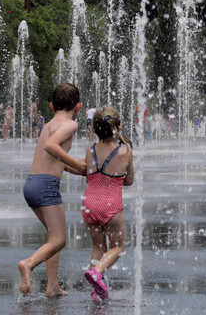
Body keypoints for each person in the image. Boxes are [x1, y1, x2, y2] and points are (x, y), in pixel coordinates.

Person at [18, 83, 85, 297]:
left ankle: (52, 286)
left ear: (50, 105)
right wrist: (78, 163)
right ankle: (28, 264)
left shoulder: (48, 124)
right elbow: (51, 147)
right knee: (59, 240)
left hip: (32, 184)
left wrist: (80, 170)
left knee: (53, 237)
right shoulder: (69, 125)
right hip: (46, 186)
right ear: (79, 107)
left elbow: (55, 159)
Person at [81, 106, 134, 301]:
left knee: (98, 247)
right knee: (118, 247)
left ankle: (96, 291)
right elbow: (129, 180)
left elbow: (89, 177)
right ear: (118, 128)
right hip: (111, 205)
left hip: (89, 203)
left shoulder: (90, 150)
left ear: (94, 129)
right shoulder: (125, 152)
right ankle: (97, 272)